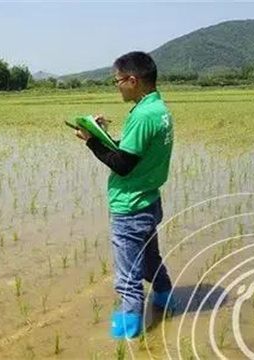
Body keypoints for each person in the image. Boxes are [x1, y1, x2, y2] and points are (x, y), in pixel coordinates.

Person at [75, 51, 176, 339]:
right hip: (149, 200)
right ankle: (165, 298)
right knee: (150, 259)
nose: (117, 86)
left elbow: (122, 164)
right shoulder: (158, 109)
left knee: (128, 274)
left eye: (118, 80)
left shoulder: (143, 115)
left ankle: (128, 332)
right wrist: (101, 134)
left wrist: (91, 141)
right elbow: (132, 150)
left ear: (132, 80)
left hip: (130, 206)